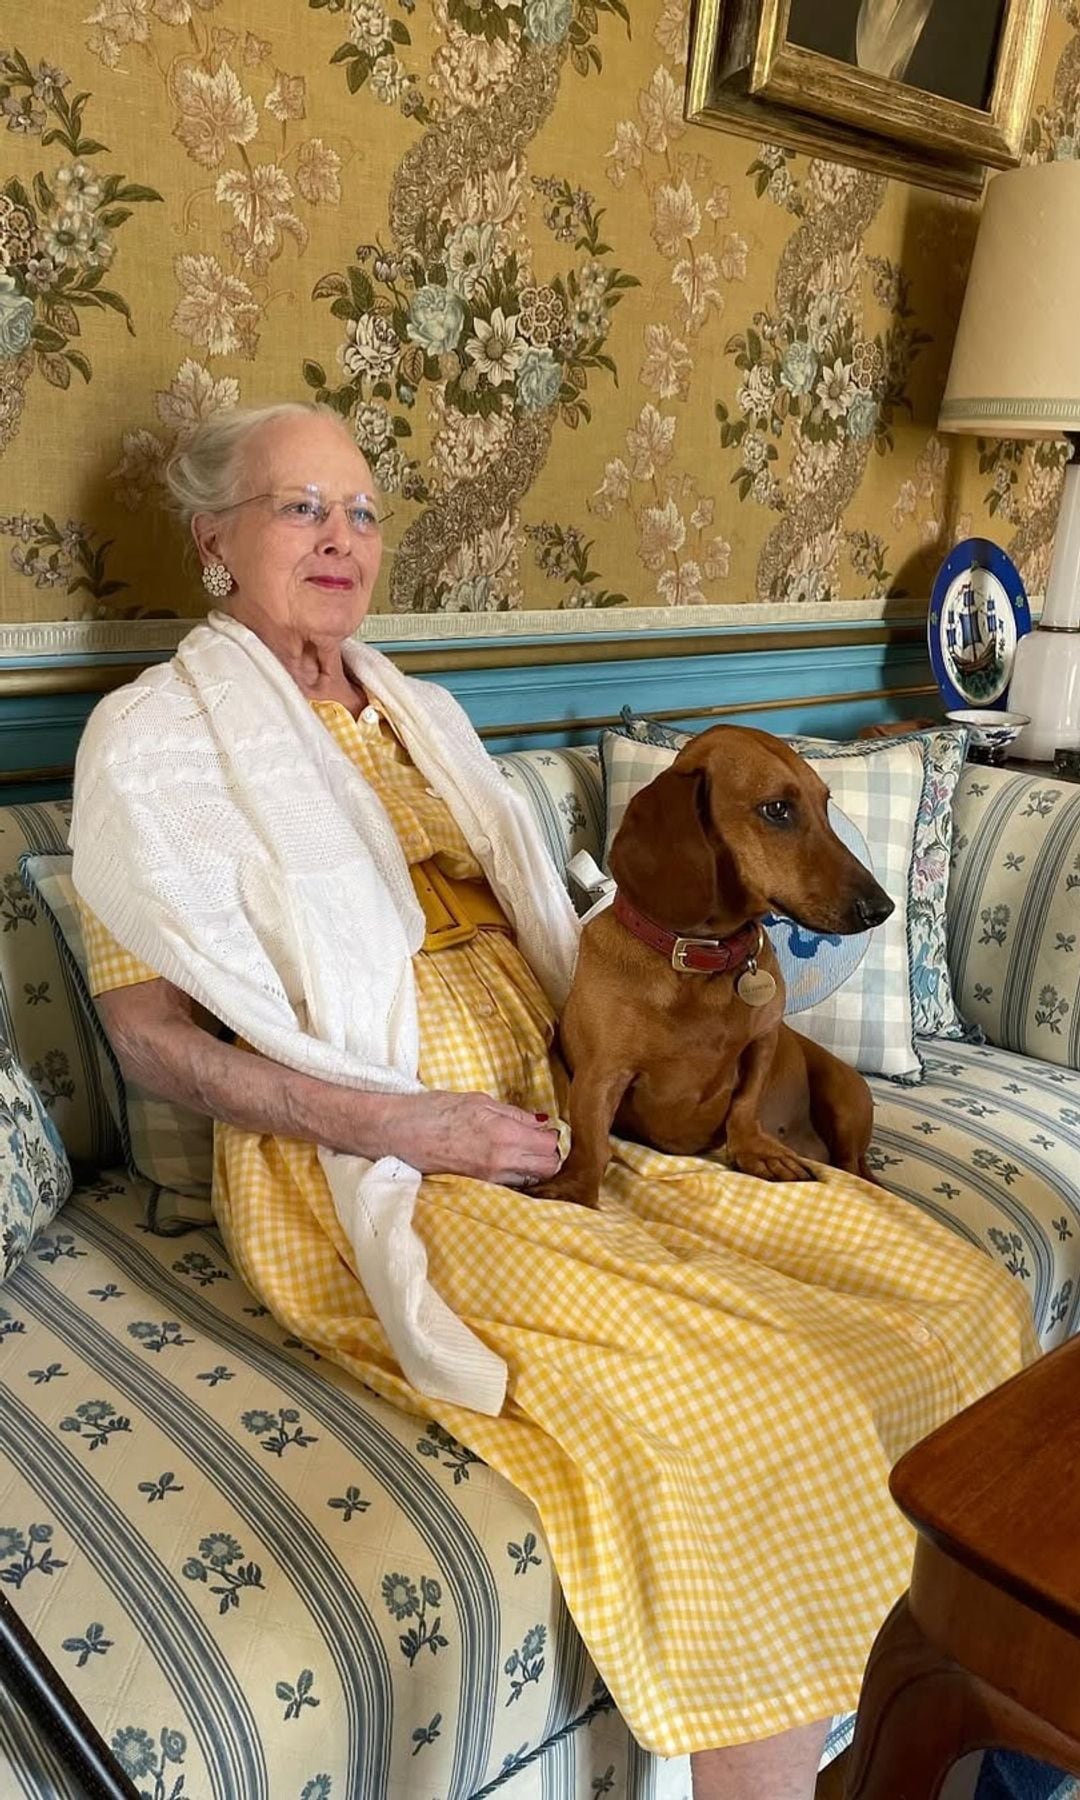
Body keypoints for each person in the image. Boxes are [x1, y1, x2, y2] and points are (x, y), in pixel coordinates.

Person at [70, 402, 1035, 1800]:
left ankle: (964, 1746)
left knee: (951, 1297)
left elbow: (563, 921)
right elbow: (151, 1043)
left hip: (565, 1089)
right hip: (374, 1140)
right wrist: (403, 1126)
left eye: (362, 512)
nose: (342, 540)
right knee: (733, 1413)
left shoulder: (421, 713)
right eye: (301, 510)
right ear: (214, 537)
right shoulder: (151, 742)